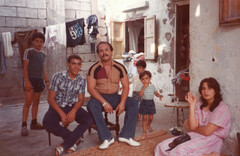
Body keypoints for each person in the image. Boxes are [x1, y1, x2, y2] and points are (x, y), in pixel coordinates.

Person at [155, 77, 231, 156]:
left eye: (210, 88)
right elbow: (192, 126)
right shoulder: (200, 104)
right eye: (203, 88)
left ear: (215, 91)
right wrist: (192, 105)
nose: (206, 91)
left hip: (211, 139)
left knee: (179, 151)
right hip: (195, 135)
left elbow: (207, 131)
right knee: (161, 146)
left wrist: (192, 127)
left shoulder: (221, 108)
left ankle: (211, 154)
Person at [87, 41, 140, 150]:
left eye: (106, 50)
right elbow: (91, 89)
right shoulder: (94, 68)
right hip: (99, 97)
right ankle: (107, 138)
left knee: (133, 103)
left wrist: (122, 103)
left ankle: (126, 135)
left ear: (111, 51)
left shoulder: (120, 67)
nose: (104, 53)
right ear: (98, 54)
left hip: (115, 96)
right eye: (101, 51)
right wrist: (104, 103)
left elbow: (126, 86)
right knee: (91, 105)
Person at [42, 55, 93, 155]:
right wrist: (62, 114)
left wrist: (73, 111)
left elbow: (81, 99)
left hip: (72, 105)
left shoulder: (81, 79)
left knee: (88, 120)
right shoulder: (58, 76)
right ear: (67, 64)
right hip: (57, 106)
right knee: (47, 122)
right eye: (73, 63)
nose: (76, 67)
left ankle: (65, 145)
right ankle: (75, 139)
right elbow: (51, 99)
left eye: (78, 64)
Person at [21, 32, 50, 136]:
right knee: (28, 103)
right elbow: (25, 67)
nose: (39, 43)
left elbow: (42, 69)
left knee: (36, 102)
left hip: (39, 80)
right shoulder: (28, 52)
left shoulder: (42, 54)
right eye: (37, 41)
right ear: (32, 41)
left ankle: (34, 122)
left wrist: (46, 81)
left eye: (41, 41)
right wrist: (27, 81)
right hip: (30, 80)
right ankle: (24, 125)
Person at [138, 70, 162, 137]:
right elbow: (140, 94)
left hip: (151, 103)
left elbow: (156, 92)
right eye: (143, 79)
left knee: (151, 117)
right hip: (144, 103)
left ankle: (148, 125)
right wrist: (144, 87)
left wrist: (159, 95)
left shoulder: (153, 86)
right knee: (144, 118)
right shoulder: (141, 86)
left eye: (146, 78)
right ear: (141, 80)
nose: (145, 80)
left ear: (150, 78)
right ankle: (144, 130)